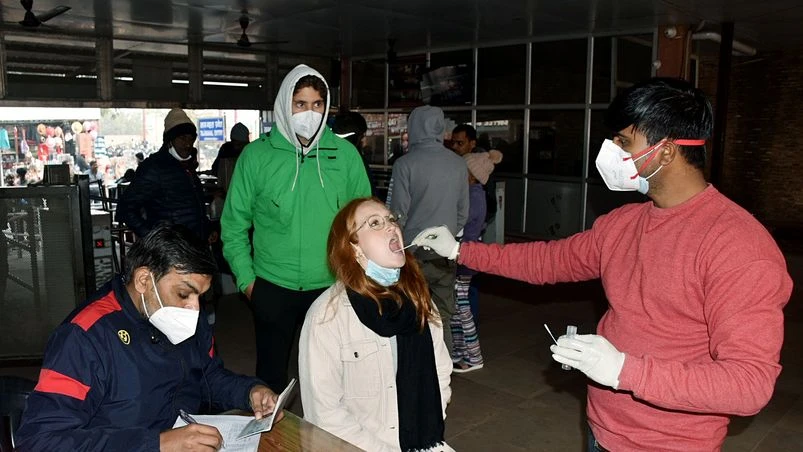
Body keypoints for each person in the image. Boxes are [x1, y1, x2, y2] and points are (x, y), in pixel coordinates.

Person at [411, 78, 793, 451]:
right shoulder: (625, 223)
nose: (610, 151)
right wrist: (461, 250)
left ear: (665, 152)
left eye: (624, 141)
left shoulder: (738, 246)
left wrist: (624, 371)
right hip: (603, 428)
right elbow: (549, 260)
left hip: (669, 442)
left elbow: (748, 385)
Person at [16, 225, 280, 451]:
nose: (196, 309)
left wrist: (250, 392)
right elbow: (40, 440)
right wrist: (157, 444)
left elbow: (208, 376)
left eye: (201, 296)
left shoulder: (184, 317)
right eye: (183, 294)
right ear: (144, 280)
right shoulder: (84, 337)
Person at [221, 64, 371, 393]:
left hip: (331, 287)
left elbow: (363, 222)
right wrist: (248, 283)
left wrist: (355, 278)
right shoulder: (257, 156)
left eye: (317, 104)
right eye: (300, 104)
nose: (309, 113)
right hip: (272, 286)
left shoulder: (344, 156)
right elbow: (233, 225)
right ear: (284, 106)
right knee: (272, 380)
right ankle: (272, 439)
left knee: (331, 379)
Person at [299, 197, 454, 452]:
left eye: (391, 220)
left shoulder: (419, 301)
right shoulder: (326, 317)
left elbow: (440, 372)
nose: (391, 227)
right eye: (375, 223)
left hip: (421, 442)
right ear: (353, 248)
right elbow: (324, 415)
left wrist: (425, 424)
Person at [387, 105, 469, 354]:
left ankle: (414, 363)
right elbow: (463, 212)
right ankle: (442, 365)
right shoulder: (458, 164)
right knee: (442, 311)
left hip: (412, 252)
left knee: (410, 308)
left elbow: (397, 212)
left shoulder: (405, 164)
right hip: (445, 252)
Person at [116, 108, 213, 244]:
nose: (187, 144)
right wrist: (155, 241)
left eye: (191, 139)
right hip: (170, 253)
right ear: (170, 140)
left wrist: (206, 229)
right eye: (182, 138)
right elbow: (126, 208)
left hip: (193, 250)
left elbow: (192, 207)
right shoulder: (154, 167)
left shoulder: (188, 167)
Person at [451, 150, 502, 373]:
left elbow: (459, 224)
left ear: (472, 174)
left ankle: (473, 356)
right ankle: (461, 353)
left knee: (461, 310)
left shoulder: (473, 196)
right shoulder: (475, 193)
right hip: (467, 256)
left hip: (466, 258)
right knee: (457, 307)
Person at [332, 111, 377, 196]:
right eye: (362, 136)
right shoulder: (355, 159)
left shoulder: (322, 152)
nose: (364, 140)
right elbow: (366, 195)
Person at [211, 122, 250, 192]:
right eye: (236, 143)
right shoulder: (226, 150)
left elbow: (215, 170)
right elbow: (216, 169)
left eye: (240, 144)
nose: (237, 147)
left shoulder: (226, 149)